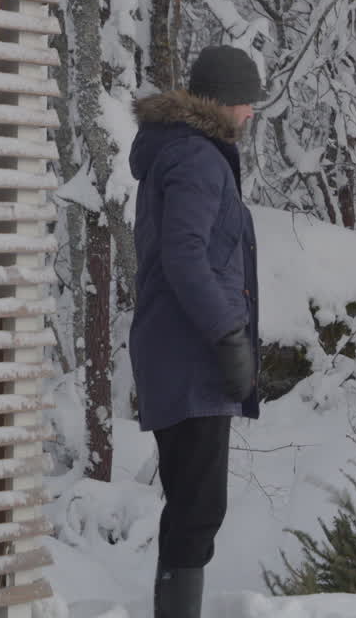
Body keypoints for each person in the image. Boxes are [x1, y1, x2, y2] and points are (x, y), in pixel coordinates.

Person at [127, 45, 265, 618]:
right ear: (224, 103)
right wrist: (229, 335)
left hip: (179, 352)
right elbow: (186, 257)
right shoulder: (197, 159)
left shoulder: (181, 153)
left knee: (191, 504)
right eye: (246, 103)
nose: (252, 114)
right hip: (191, 357)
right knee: (197, 508)